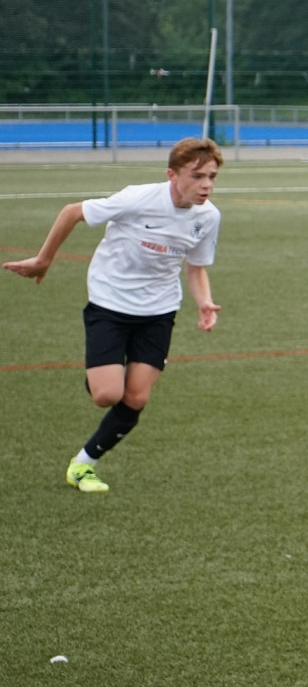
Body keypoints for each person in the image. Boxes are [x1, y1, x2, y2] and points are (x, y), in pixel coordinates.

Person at [3, 137, 224, 493]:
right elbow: (72, 212)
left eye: (212, 176)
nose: (206, 185)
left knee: (136, 398)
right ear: (172, 174)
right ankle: (99, 377)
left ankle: (83, 465)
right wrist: (43, 260)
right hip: (110, 301)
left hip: (159, 310)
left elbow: (196, 268)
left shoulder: (208, 217)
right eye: (197, 176)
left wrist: (204, 303)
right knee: (106, 395)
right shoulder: (138, 198)